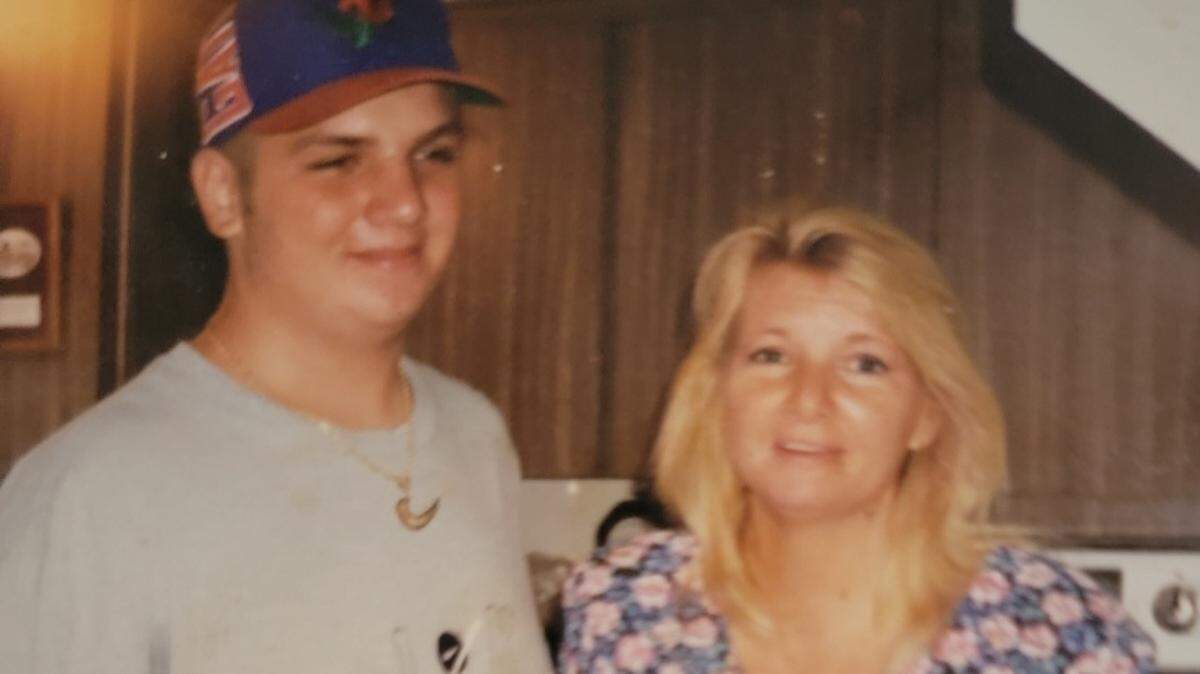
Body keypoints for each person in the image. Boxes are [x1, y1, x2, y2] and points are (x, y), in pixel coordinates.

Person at [0, 1, 553, 672]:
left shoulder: (475, 434)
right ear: (223, 195)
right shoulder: (89, 497)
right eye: (339, 162)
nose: (405, 200)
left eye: (433, 154)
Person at [558, 206, 1155, 674]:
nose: (808, 398)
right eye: (771, 356)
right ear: (716, 398)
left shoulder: (1055, 629)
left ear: (926, 415)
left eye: (864, 364)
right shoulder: (623, 606)